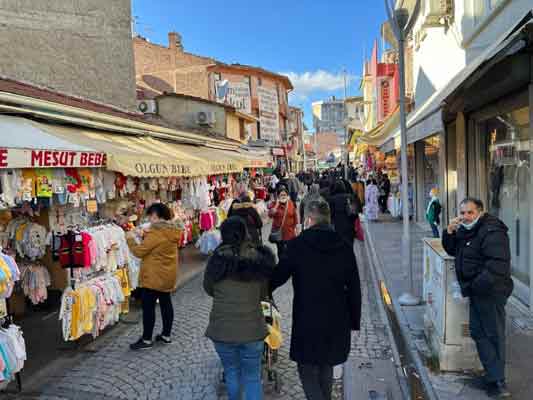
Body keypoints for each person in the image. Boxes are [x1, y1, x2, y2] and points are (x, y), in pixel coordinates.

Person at [271, 200, 362, 400]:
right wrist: (354, 321)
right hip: (336, 319)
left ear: (309, 220)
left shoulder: (297, 246)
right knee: (326, 364)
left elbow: (276, 277)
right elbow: (355, 288)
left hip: (307, 320)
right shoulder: (344, 246)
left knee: (307, 369)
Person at [442, 198, 513, 398]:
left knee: (493, 334)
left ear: (480, 212)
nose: (465, 217)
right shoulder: (466, 230)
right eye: (462, 212)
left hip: (491, 292)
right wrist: (449, 232)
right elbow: (452, 249)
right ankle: (492, 374)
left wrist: (472, 286)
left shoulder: (492, 230)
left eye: (470, 213)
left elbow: (497, 267)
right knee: (477, 330)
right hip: (476, 291)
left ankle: (499, 383)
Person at [204, 217, 276, 400]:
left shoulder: (217, 259)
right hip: (252, 329)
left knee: (231, 371)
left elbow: (208, 288)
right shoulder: (258, 259)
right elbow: (263, 293)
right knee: (252, 377)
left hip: (222, 330)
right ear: (245, 233)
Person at [127, 203, 179, 350]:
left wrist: (130, 238)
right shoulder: (172, 230)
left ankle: (147, 339)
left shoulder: (156, 233)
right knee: (165, 303)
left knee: (148, 307)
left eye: (151, 216)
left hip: (153, 276)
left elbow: (139, 252)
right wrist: (145, 235)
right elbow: (158, 245)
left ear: (157, 216)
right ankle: (166, 335)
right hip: (167, 274)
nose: (149, 219)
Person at [328, 181, 361, 246]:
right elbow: (356, 213)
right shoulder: (350, 197)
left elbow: (329, 215)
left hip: (336, 227)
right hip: (349, 227)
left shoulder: (331, 199)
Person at [268, 187, 298, 257]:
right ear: (278, 196)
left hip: (289, 233)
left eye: (284, 195)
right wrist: (276, 205)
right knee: (280, 251)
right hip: (279, 234)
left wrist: (296, 228)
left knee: (290, 251)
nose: (283, 196)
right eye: (281, 195)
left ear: (287, 196)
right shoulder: (274, 204)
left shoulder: (291, 203)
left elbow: (295, 216)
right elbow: (270, 215)